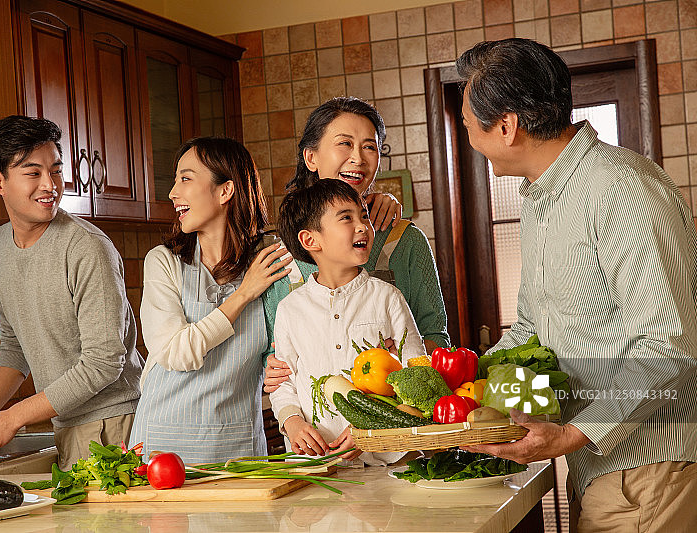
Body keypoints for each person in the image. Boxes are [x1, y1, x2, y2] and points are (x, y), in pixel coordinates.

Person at [453, 39, 697, 532]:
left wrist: (568, 434)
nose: (468, 138)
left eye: (467, 124)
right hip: (598, 464)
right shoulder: (543, 194)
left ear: (506, 126)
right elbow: (531, 328)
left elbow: (668, 347)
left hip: (650, 466)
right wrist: (462, 388)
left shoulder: (620, 188)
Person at [0, 115, 143, 469]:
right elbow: (14, 345)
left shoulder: (86, 247)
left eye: (56, 171)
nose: (50, 185)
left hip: (116, 425)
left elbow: (105, 361)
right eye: (33, 173)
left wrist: (13, 417)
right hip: (66, 424)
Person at [264, 97, 449, 392]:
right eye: (345, 144)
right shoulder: (279, 253)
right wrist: (269, 366)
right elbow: (269, 349)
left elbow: (437, 338)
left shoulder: (405, 239)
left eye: (369, 146)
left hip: (389, 418)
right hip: (313, 429)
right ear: (311, 158)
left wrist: (390, 367)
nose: (358, 159)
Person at [128, 137, 291, 463]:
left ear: (225, 191)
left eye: (185, 178)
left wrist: (276, 363)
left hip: (238, 445)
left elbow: (291, 338)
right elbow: (177, 353)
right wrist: (244, 293)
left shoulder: (271, 260)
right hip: (162, 445)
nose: (173, 192)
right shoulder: (164, 262)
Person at [269, 178, 424, 463]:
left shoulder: (388, 298)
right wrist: (292, 423)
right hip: (319, 463)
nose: (363, 225)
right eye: (346, 218)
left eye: (364, 215)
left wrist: (370, 429)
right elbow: (283, 381)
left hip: (390, 461)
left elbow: (416, 374)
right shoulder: (290, 309)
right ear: (310, 240)